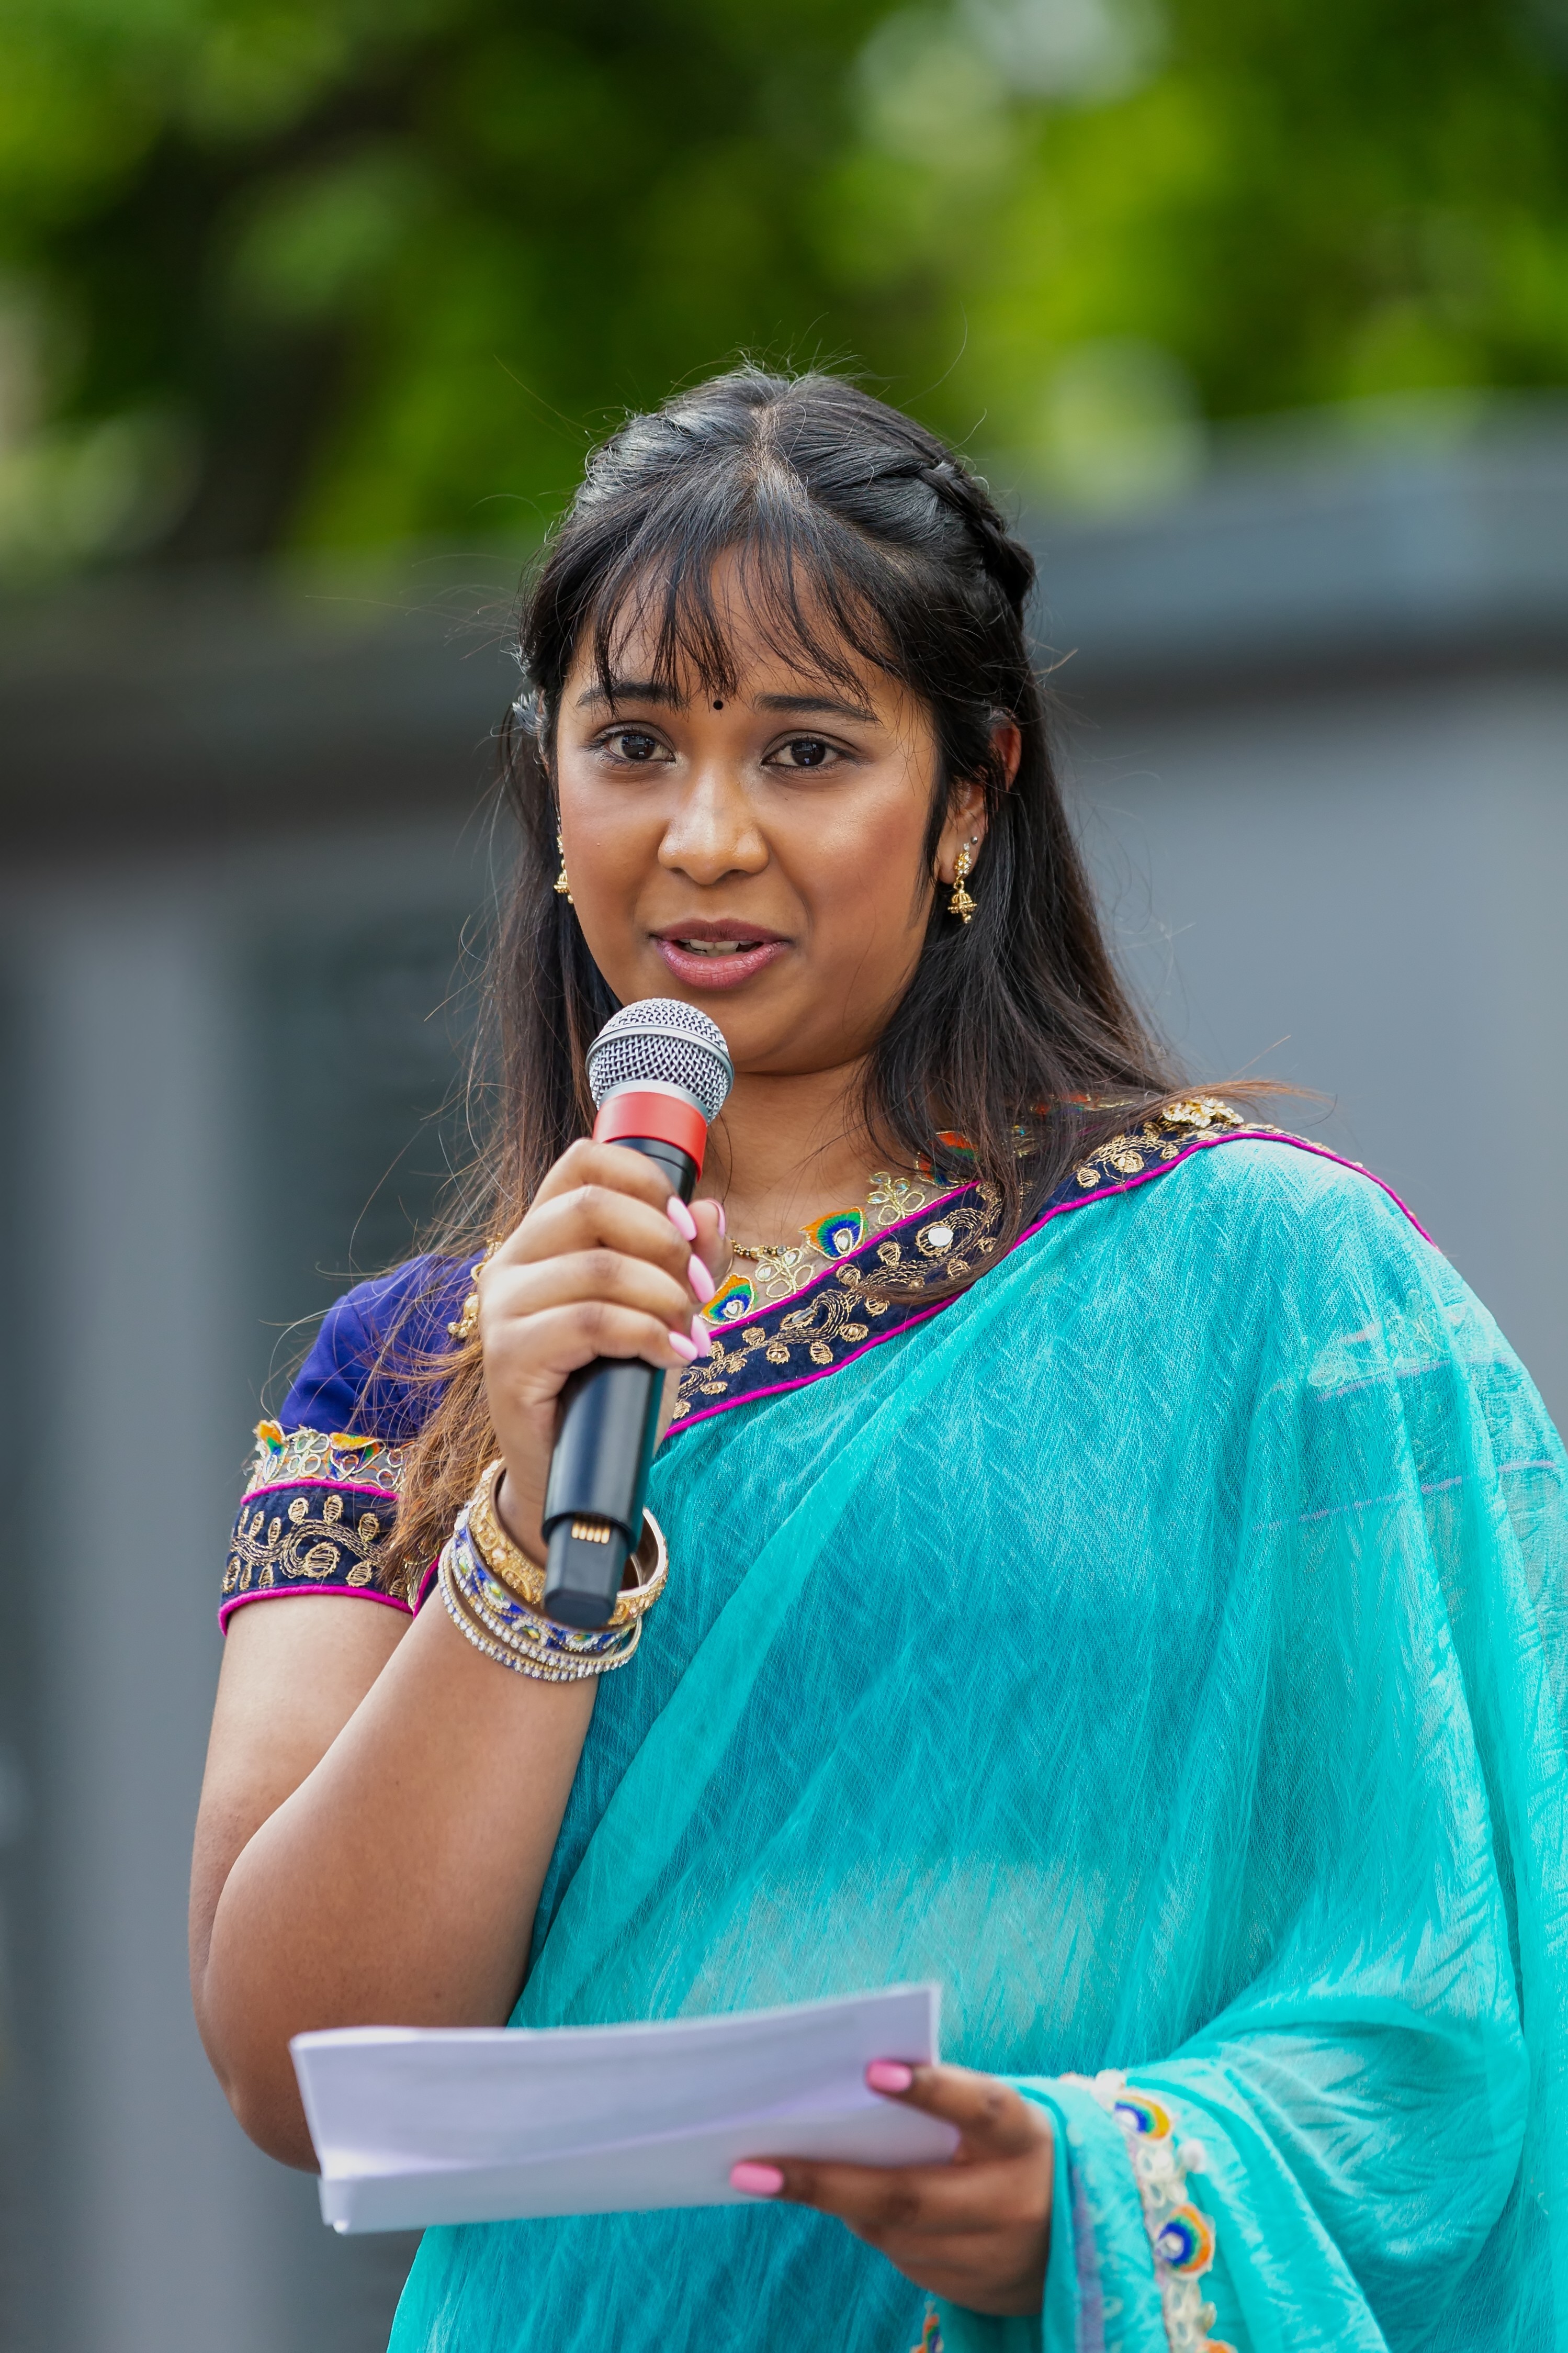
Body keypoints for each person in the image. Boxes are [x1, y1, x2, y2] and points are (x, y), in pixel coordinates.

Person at [190, 369, 1568, 2353]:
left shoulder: (1275, 1290)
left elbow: (1457, 1995)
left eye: (808, 750)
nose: (706, 836)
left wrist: (1097, 2188)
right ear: (549, 782)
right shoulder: (417, 1367)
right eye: (634, 744)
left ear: (969, 797)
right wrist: (525, 1525)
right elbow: (297, 2071)